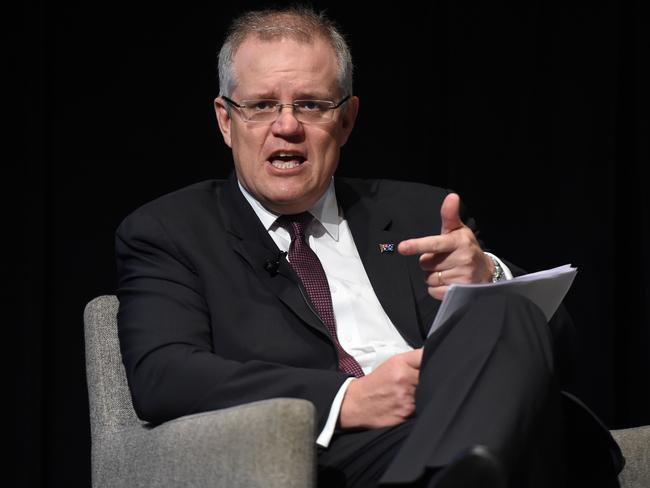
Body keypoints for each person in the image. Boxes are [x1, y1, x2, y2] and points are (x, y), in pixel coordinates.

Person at [116, 6, 622, 487]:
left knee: (503, 308)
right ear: (226, 121)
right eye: (262, 105)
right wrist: (349, 399)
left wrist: (486, 277)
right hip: (339, 451)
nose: (287, 125)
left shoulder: (421, 212)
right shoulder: (170, 231)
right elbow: (164, 375)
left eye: (311, 104)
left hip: (476, 428)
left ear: (347, 119)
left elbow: (559, 352)